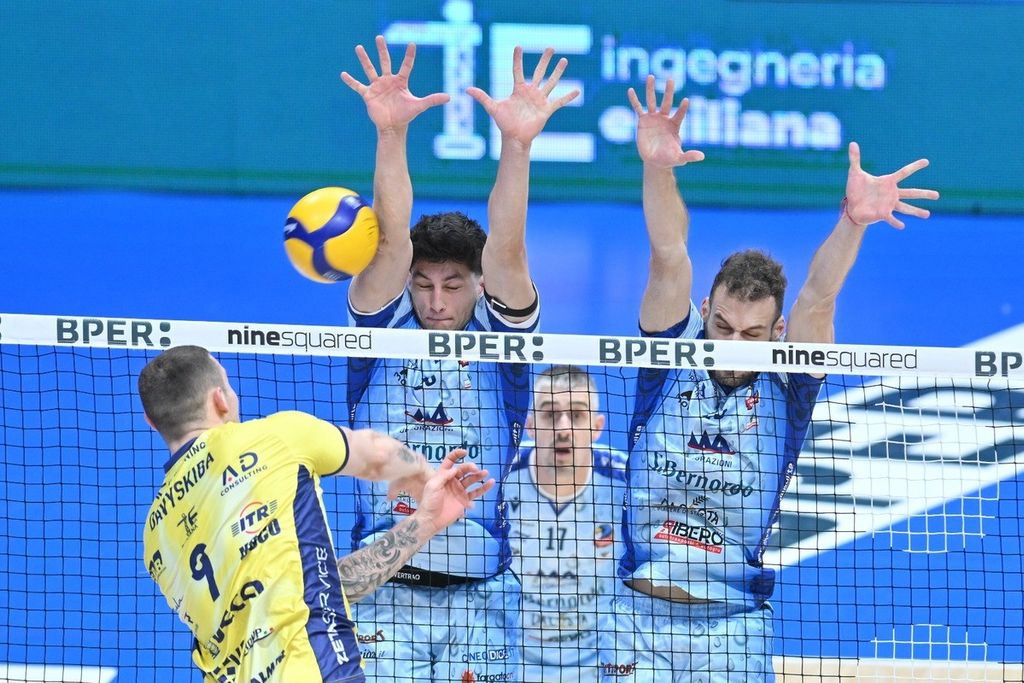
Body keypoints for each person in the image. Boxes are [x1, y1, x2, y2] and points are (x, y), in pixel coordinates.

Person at [599, 76, 941, 682]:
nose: (732, 344)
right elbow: (669, 255)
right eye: (722, 326)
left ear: (777, 332)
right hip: (633, 617)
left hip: (733, 627)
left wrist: (853, 221)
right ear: (705, 310)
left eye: (752, 334)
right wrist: (657, 169)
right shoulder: (669, 356)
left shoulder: (790, 385)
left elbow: (818, 297)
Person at [339, 36, 579, 682]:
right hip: (383, 585)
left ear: (477, 284)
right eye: (423, 284)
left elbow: (509, 251)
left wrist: (517, 146)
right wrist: (391, 134)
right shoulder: (382, 329)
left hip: (481, 598)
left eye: (452, 285)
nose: (436, 301)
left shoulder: (504, 342)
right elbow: (390, 243)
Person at [140, 345, 494, 683]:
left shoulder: (156, 537)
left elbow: (325, 586)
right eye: (229, 387)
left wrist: (427, 521)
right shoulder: (275, 437)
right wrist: (420, 472)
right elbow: (374, 452)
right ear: (220, 399)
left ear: (152, 423)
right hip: (317, 668)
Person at [505, 365, 627, 683]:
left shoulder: (629, 483)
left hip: (603, 667)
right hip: (511, 665)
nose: (563, 428)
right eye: (549, 415)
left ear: (597, 427)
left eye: (576, 415)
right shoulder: (498, 477)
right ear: (530, 425)